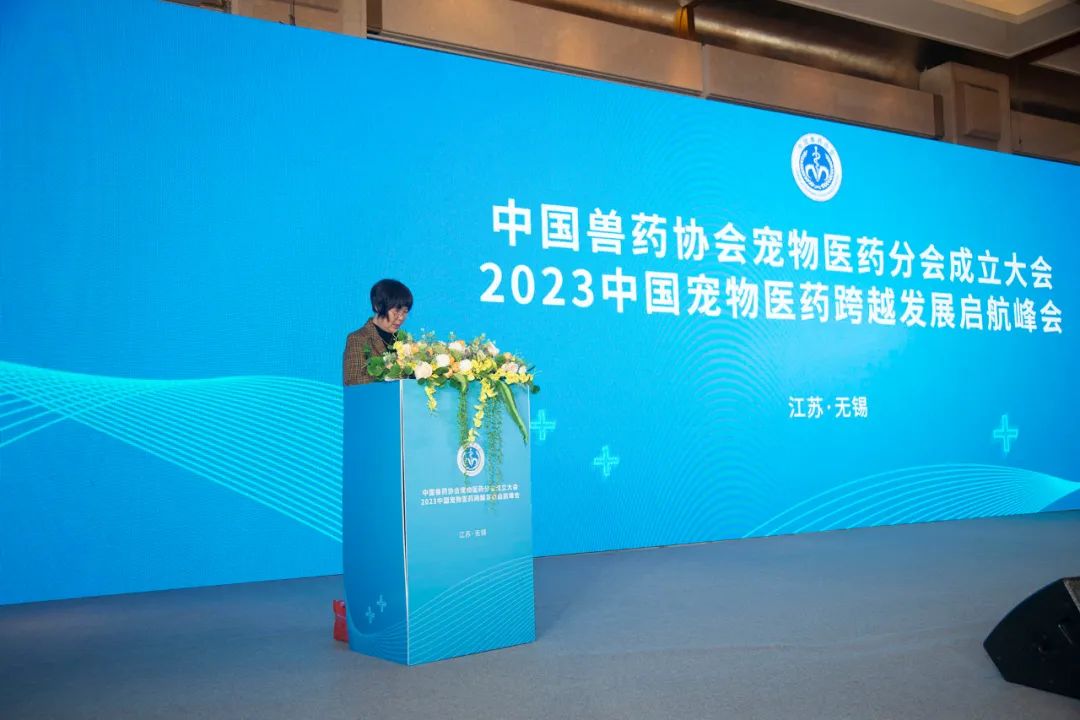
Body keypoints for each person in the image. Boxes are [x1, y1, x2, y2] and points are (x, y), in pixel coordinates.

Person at [343, 279, 413, 385]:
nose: (401, 317)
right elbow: (353, 382)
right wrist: (391, 379)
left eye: (405, 312)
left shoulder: (407, 343)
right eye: (396, 311)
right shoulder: (358, 339)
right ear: (378, 307)